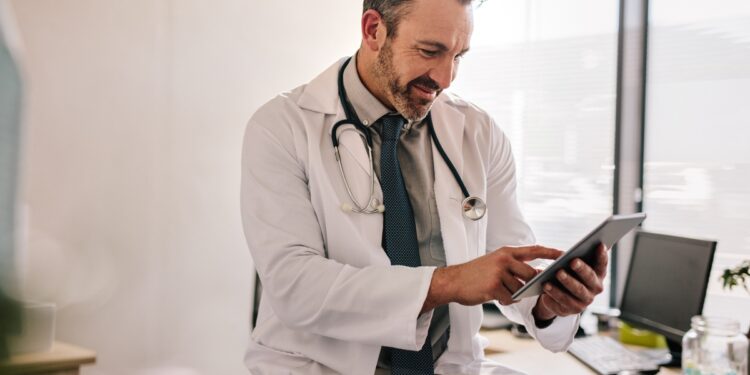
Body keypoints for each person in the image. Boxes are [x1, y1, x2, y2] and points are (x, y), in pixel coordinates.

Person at [240, 0, 608, 374]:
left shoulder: (478, 132)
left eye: (458, 56)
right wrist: (449, 283)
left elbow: (507, 260)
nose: (446, 78)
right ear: (373, 30)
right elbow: (295, 287)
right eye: (430, 51)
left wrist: (549, 303)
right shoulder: (282, 127)